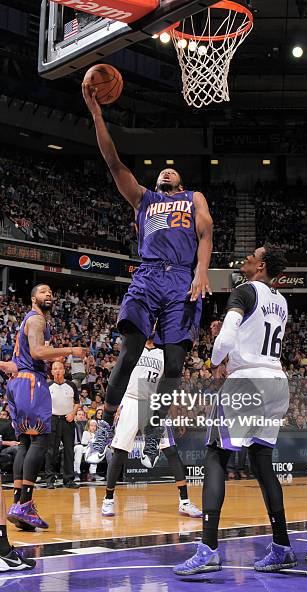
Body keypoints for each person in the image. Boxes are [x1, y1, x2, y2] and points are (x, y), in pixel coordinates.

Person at [82, 85, 213, 469]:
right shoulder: (144, 199)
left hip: (183, 279)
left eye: (174, 171)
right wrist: (97, 115)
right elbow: (113, 162)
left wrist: (201, 273)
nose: (168, 170)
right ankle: (106, 421)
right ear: (157, 183)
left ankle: (155, 429)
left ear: (181, 184)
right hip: (149, 275)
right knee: (131, 349)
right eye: (163, 170)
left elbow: (206, 234)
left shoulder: (194, 198)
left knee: (174, 364)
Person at [173, 245, 297, 575]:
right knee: (261, 462)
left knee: (216, 454)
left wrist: (215, 361)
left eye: (252, 257)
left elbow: (227, 337)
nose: (246, 259)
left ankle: (209, 548)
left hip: (246, 382)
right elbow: (251, 336)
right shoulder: (281, 301)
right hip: (276, 381)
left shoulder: (244, 290)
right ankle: (282, 546)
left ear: (262, 265)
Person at [5, 284, 86, 530]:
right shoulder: (37, 320)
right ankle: (25, 504)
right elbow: (39, 352)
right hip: (31, 382)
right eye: (43, 292)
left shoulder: (30, 321)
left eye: (51, 291)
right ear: (32, 299)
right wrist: (71, 350)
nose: (48, 294)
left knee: (26, 443)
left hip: (20, 383)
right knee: (40, 441)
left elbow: (21, 359)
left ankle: (18, 503)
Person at [90, 338, 202, 518]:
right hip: (131, 400)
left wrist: (172, 413)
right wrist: (114, 405)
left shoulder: (164, 352)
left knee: (171, 451)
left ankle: (185, 502)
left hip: (153, 404)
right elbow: (119, 377)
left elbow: (168, 387)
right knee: (119, 452)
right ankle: (108, 500)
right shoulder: (133, 346)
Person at [45, 361, 81, 489]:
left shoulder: (71, 385)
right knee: (51, 451)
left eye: (60, 368)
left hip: (68, 420)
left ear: (64, 371)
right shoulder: (47, 386)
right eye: (55, 368)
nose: (58, 370)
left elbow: (77, 402)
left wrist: (73, 413)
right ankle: (50, 479)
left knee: (69, 451)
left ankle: (69, 479)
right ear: (52, 371)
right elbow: (42, 404)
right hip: (52, 420)